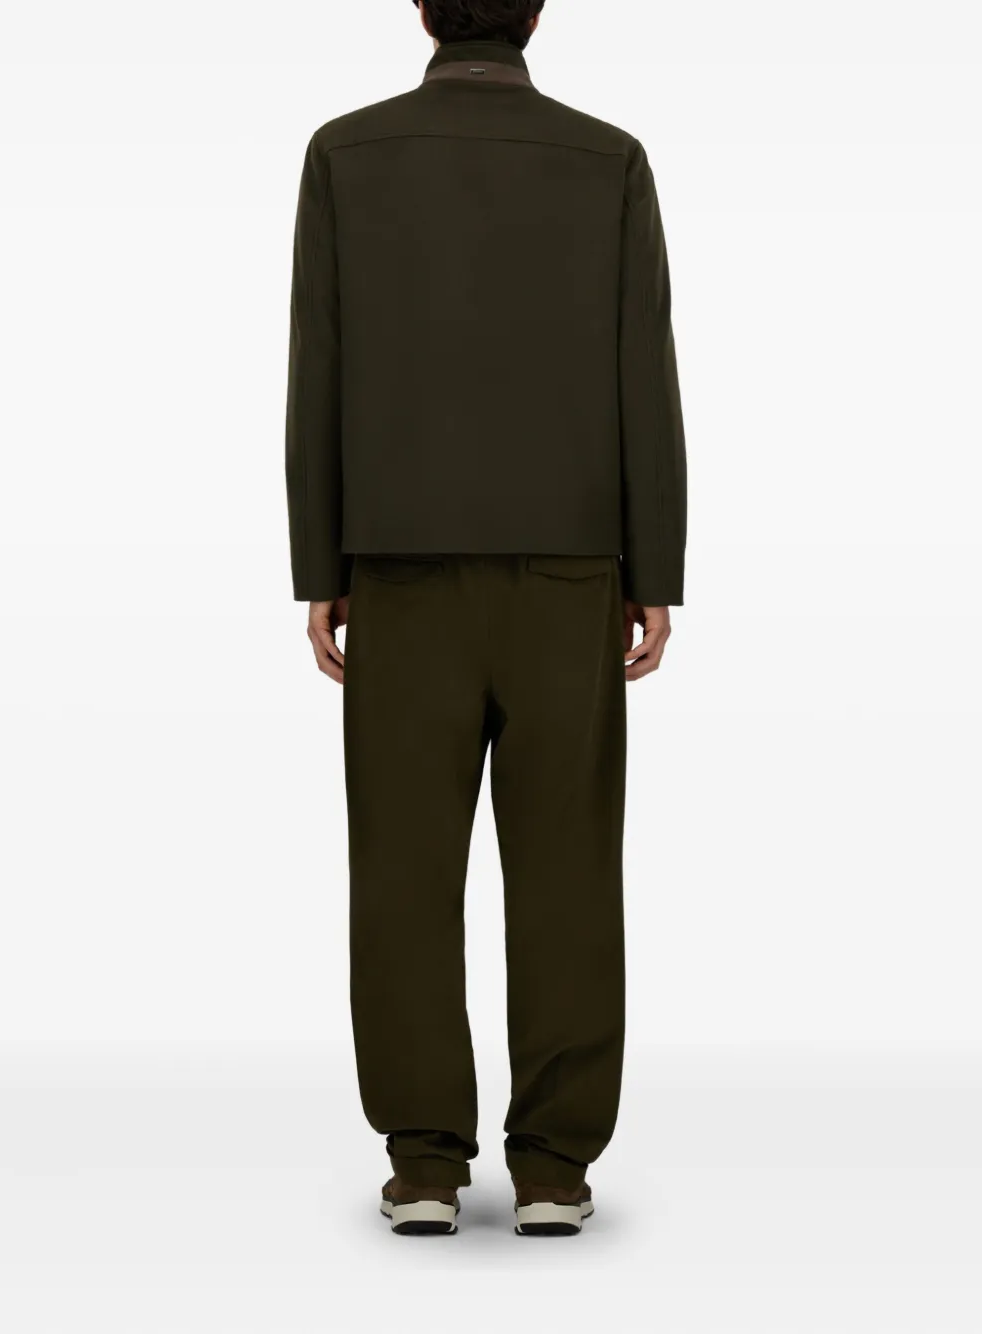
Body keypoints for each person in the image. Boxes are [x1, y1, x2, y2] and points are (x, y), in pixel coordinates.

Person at [285, 0, 686, 1237]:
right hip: (571, 565)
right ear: (535, 13)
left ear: (422, 9)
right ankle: (555, 1166)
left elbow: (319, 365)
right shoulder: (607, 159)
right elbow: (642, 368)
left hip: (399, 564)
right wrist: (654, 569)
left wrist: (319, 566)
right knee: (569, 868)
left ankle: (422, 1162)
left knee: (402, 870)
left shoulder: (346, 153)